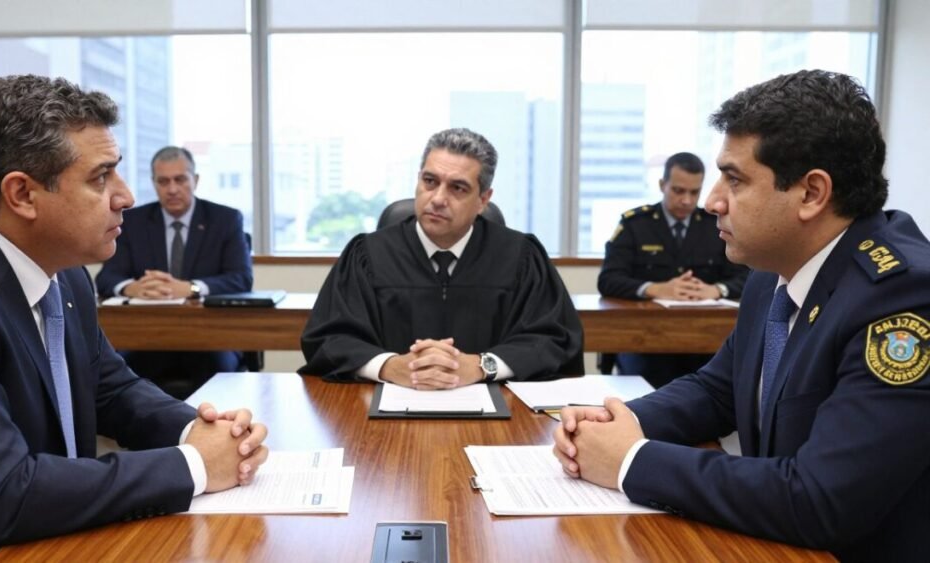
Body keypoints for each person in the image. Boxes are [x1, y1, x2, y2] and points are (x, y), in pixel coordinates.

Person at [553, 69, 930, 561]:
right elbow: (719, 388)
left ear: (812, 194)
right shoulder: (771, 270)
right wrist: (615, 421)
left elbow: (821, 499)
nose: (712, 201)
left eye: (735, 179)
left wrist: (631, 459)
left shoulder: (900, 297)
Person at [0, 75, 269, 561]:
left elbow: (113, 390)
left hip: (68, 537)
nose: (126, 197)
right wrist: (193, 466)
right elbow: (2, 493)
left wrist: (198, 430)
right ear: (22, 194)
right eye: (101, 178)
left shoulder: (68, 275)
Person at [300, 128, 583, 388]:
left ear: (484, 199)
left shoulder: (520, 257)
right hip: (383, 417)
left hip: (500, 417)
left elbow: (554, 339)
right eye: (430, 181)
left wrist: (482, 365)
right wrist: (389, 366)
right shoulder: (367, 255)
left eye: (457, 188)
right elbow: (329, 338)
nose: (437, 198)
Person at [95, 146, 253, 398]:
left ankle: (215, 434)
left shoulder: (225, 219)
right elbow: (106, 277)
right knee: (116, 372)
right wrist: (131, 287)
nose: (172, 189)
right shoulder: (132, 221)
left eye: (180, 179)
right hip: (148, 336)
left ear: (196, 180)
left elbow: (241, 278)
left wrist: (191, 288)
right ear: (154, 184)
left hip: (210, 337)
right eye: (163, 181)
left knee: (219, 371)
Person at [598, 152, 750, 387]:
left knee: (715, 384)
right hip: (646, 341)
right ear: (662, 185)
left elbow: (745, 276)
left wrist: (716, 290)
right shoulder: (636, 225)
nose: (687, 200)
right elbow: (608, 279)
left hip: (703, 340)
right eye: (678, 191)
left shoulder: (715, 226)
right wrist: (655, 289)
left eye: (694, 192)